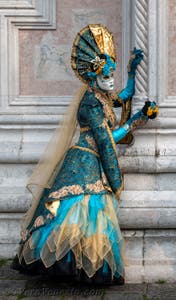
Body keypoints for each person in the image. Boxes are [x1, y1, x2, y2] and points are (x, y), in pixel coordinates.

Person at [11, 24, 158, 285]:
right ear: (93, 77)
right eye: (107, 75)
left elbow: (122, 95)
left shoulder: (100, 94)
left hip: (94, 161)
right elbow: (106, 139)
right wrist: (137, 120)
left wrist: (131, 72)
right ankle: (68, 266)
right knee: (79, 209)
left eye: (112, 73)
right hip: (85, 160)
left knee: (90, 212)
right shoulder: (91, 101)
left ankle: (82, 266)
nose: (111, 80)